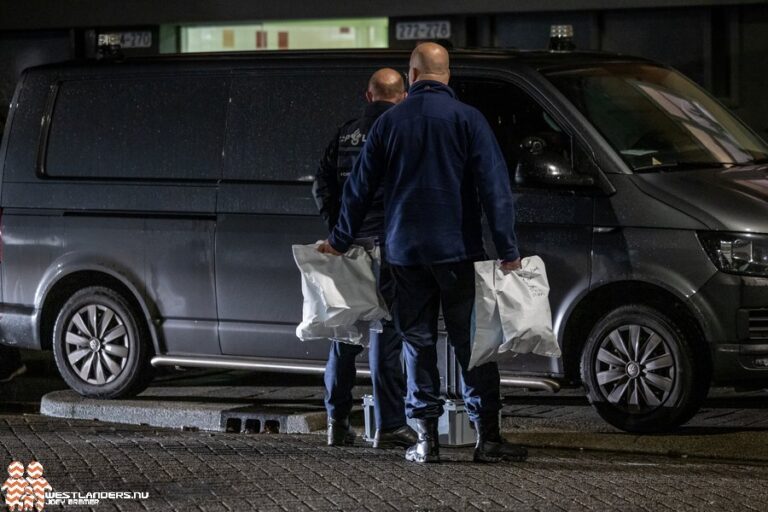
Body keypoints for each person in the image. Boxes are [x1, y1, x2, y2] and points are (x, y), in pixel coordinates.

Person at [319, 43, 528, 464]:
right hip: (457, 251)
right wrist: (507, 250)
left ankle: (425, 439)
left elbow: (358, 191)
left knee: (417, 344)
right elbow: (495, 189)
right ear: (447, 76)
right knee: (473, 343)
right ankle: (487, 439)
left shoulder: (389, 123)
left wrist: (340, 241)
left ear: (412, 76)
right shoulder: (470, 120)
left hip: (404, 254)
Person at [313, 68, 416, 449]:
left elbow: (322, 183)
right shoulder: (399, 131)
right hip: (387, 246)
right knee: (385, 335)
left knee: (344, 335)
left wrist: (338, 228)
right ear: (402, 97)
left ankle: (337, 421)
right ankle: (390, 424)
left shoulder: (344, 133)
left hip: (348, 245)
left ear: (369, 95)